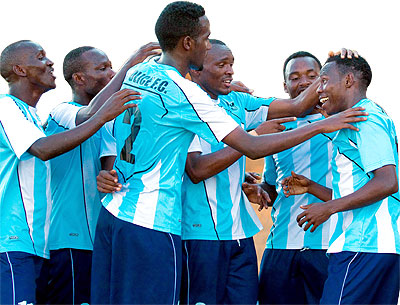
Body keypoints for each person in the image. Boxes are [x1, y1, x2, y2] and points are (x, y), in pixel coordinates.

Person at [90, 2, 368, 304]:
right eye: (206, 40)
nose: (209, 45)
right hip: (151, 218)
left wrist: (333, 68)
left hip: (117, 210)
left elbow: (296, 106)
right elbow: (247, 148)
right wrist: (320, 126)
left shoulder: (141, 70)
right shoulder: (187, 94)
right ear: (189, 44)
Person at [0, 39, 155, 304]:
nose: (49, 62)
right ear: (20, 69)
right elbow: (43, 148)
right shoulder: (14, 107)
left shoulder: (34, 117)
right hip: (16, 241)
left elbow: (108, 161)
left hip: (40, 242)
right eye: (40, 57)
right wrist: (130, 65)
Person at [179, 42, 329, 305]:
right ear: (196, 71)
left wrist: (338, 68)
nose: (230, 72)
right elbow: (197, 170)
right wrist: (254, 138)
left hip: (241, 236)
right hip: (200, 235)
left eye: (231, 64)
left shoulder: (238, 102)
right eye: (221, 65)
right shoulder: (182, 105)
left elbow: (295, 106)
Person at [281, 54, 400, 305]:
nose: (319, 90)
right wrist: (312, 188)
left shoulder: (365, 118)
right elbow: (364, 192)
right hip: (377, 248)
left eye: (323, 81)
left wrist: (328, 208)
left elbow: (388, 182)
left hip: (363, 245)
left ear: (348, 80)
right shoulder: (356, 118)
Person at [40, 46, 117, 304]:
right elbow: (89, 115)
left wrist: (109, 177)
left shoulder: (108, 123)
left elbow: (110, 166)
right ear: (79, 78)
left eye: (111, 67)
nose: (111, 73)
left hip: (101, 242)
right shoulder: (61, 111)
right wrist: (133, 63)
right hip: (68, 240)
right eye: (102, 68)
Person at [257, 51, 333, 305]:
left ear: (323, 80)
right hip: (280, 246)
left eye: (312, 76)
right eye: (295, 77)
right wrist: (259, 190)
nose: (303, 82)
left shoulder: (340, 120)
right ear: (285, 85)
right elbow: (272, 183)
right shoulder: (276, 128)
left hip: (328, 246)